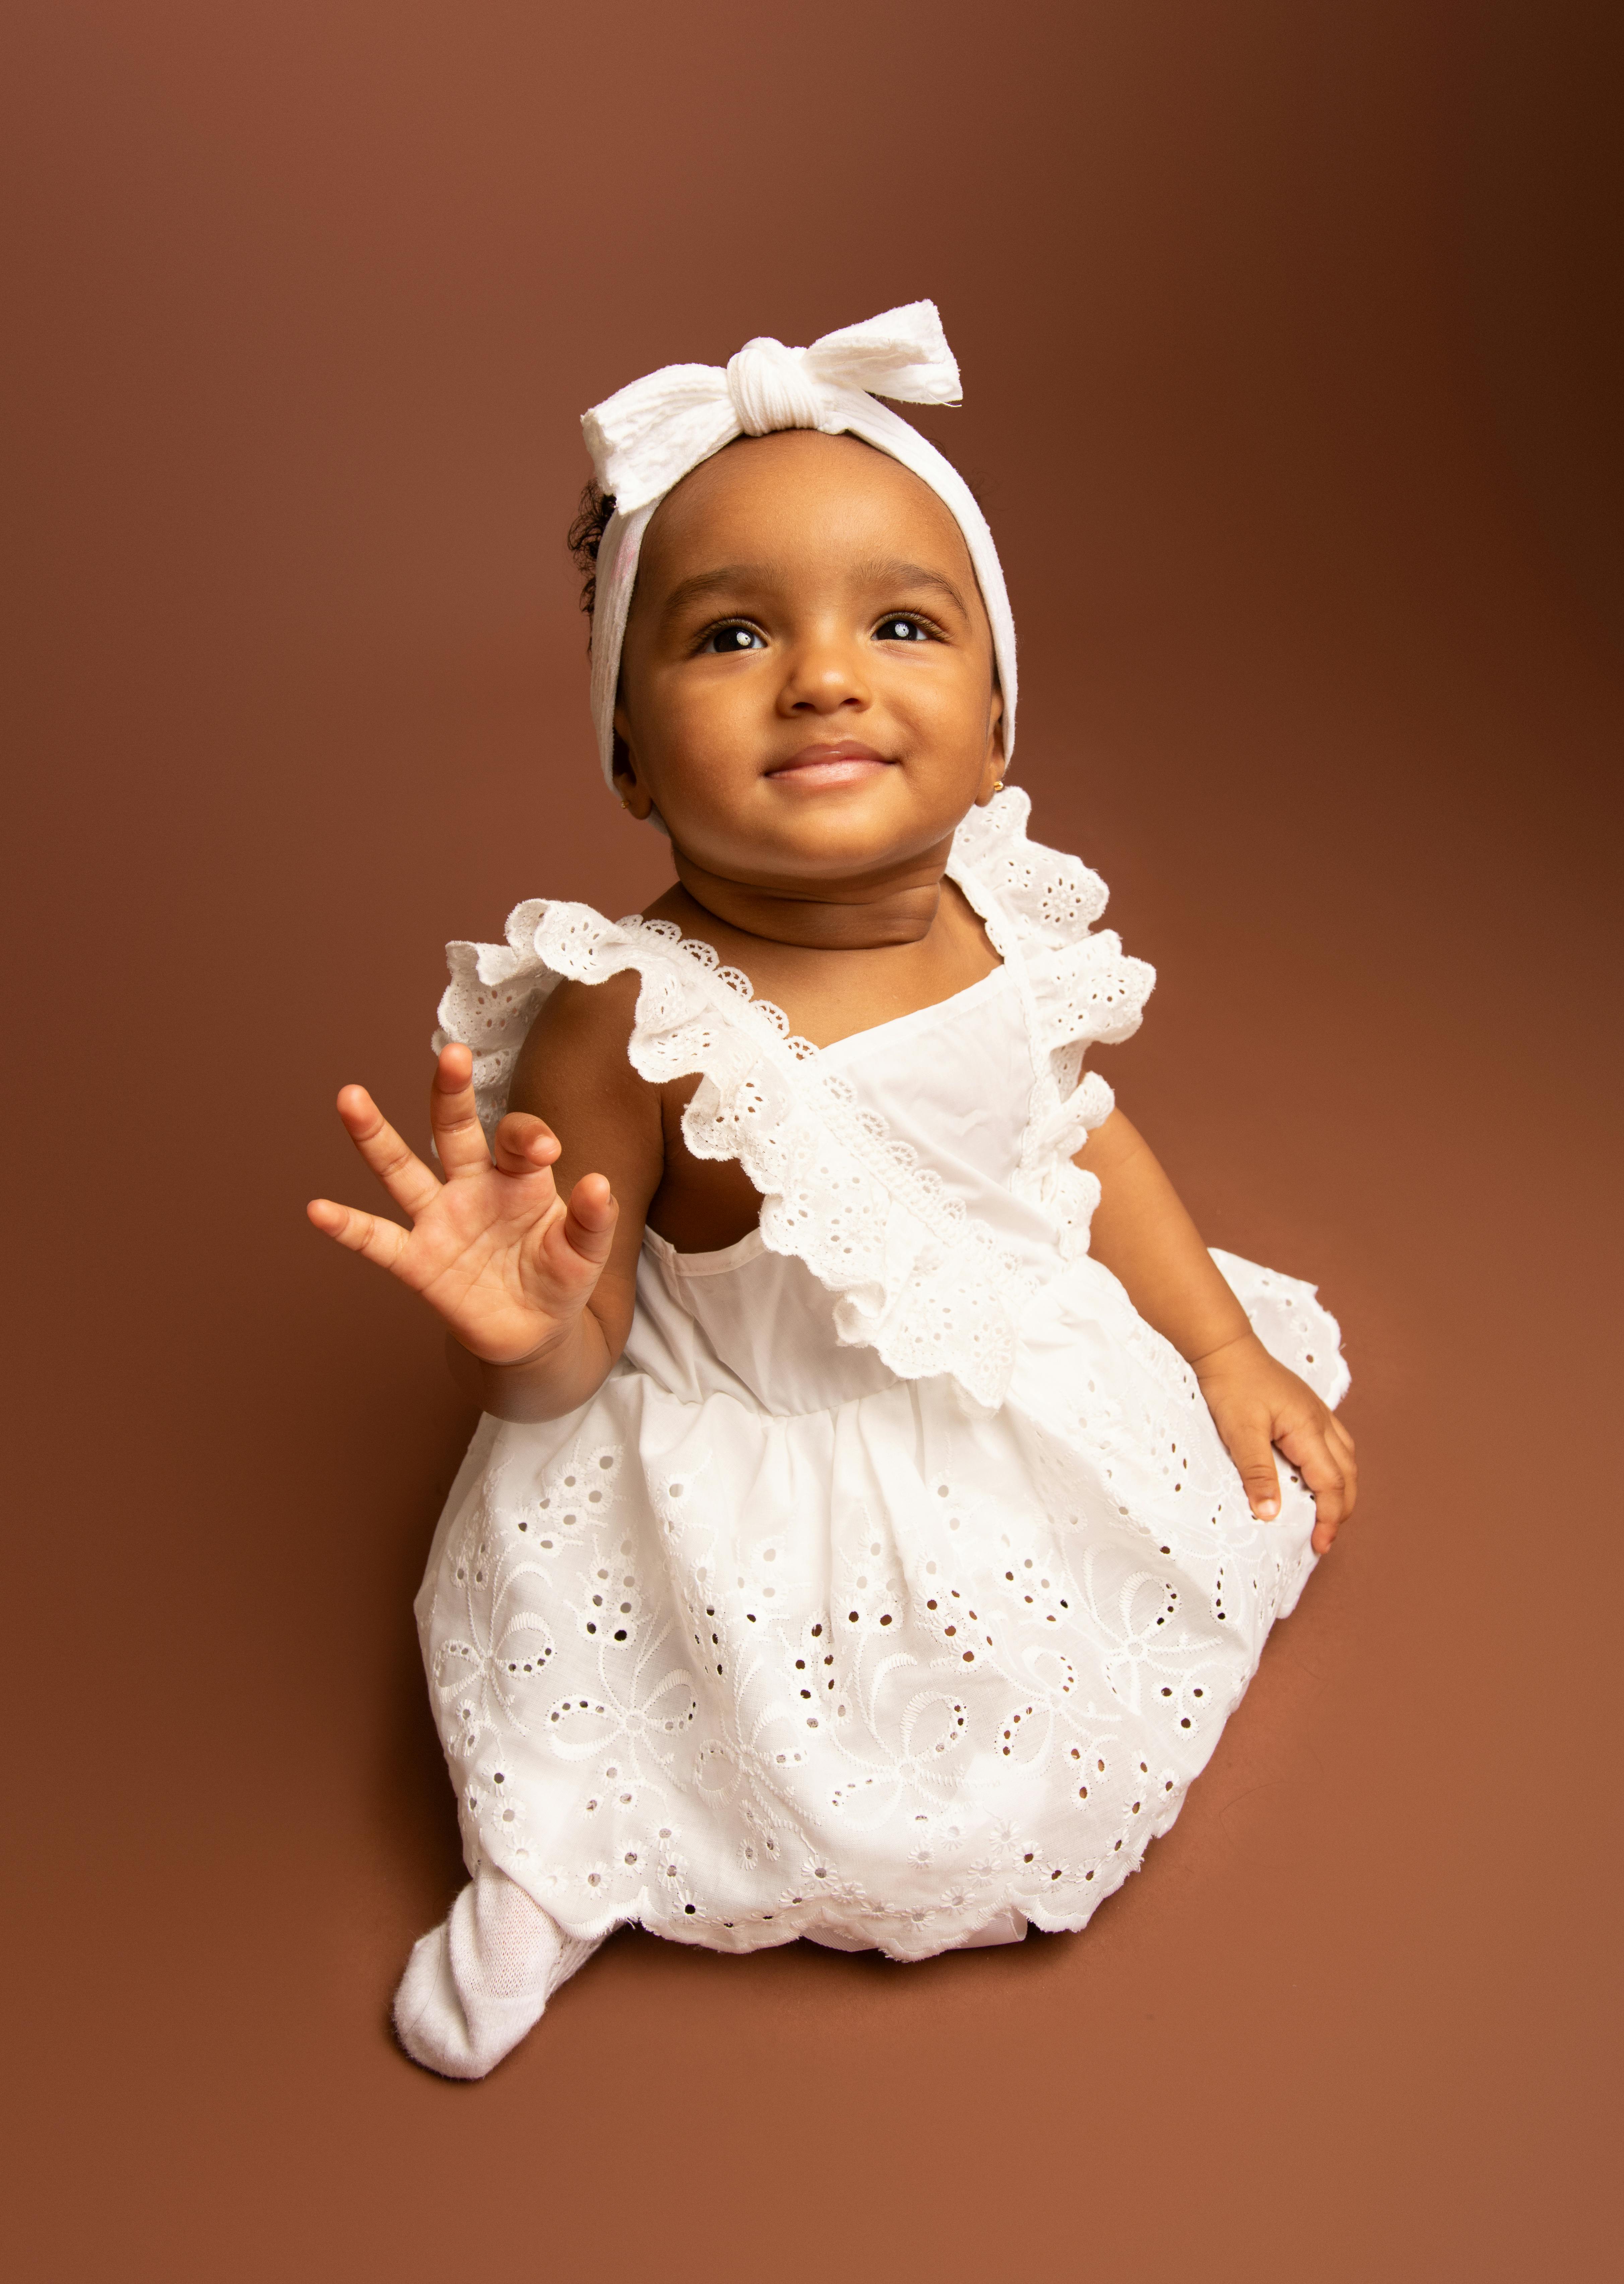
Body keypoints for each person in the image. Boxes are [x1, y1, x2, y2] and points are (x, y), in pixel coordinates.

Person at [308, 304, 1358, 2079]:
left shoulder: (991, 919)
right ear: (630, 756)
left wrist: (1217, 1345)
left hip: (1006, 1377)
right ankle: (554, 1866)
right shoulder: (632, 1024)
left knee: (1109, 1610)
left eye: (900, 622)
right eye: (731, 634)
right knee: (629, 1723)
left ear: (997, 726)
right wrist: (526, 1332)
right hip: (763, 1464)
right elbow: (575, 1374)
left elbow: (1078, 1143)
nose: (824, 675)